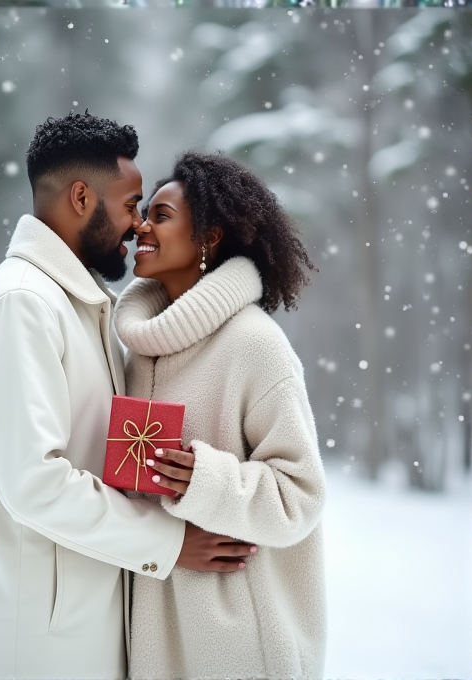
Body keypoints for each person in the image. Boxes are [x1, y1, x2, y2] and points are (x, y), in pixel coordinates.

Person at [0, 115, 255, 680]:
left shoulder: (81, 306)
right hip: (24, 643)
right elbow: (36, 482)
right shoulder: (21, 305)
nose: (137, 224)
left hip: (76, 630)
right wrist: (171, 541)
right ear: (82, 197)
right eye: (132, 204)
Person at [113, 151, 328, 679]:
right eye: (144, 212)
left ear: (208, 237)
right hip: (156, 642)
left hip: (240, 646)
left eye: (160, 216)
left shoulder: (255, 345)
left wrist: (206, 480)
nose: (141, 224)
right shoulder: (140, 352)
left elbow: (301, 494)